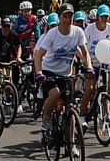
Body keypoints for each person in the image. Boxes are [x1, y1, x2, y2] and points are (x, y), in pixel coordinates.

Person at [33, 8, 88, 143]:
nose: (68, 20)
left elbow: (85, 53)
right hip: (49, 71)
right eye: (65, 16)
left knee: (70, 107)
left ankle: (72, 141)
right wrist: (39, 72)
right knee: (55, 94)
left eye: (70, 16)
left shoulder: (78, 32)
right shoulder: (52, 34)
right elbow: (39, 55)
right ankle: (46, 118)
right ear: (60, 17)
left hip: (66, 74)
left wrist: (90, 68)